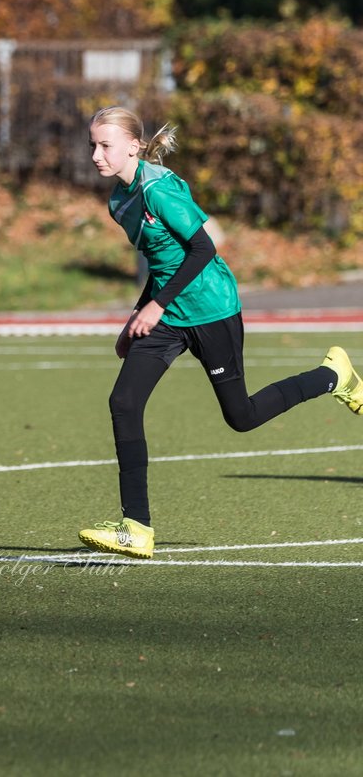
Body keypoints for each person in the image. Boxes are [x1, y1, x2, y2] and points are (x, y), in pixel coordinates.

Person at [80, 106, 362, 559]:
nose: (96, 154)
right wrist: (137, 317)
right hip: (168, 316)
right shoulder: (120, 201)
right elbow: (161, 264)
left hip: (211, 310)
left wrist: (154, 304)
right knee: (123, 402)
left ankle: (335, 377)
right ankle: (136, 526)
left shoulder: (159, 190)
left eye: (105, 145)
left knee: (242, 417)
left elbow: (203, 248)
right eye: (92, 145)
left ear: (133, 145)